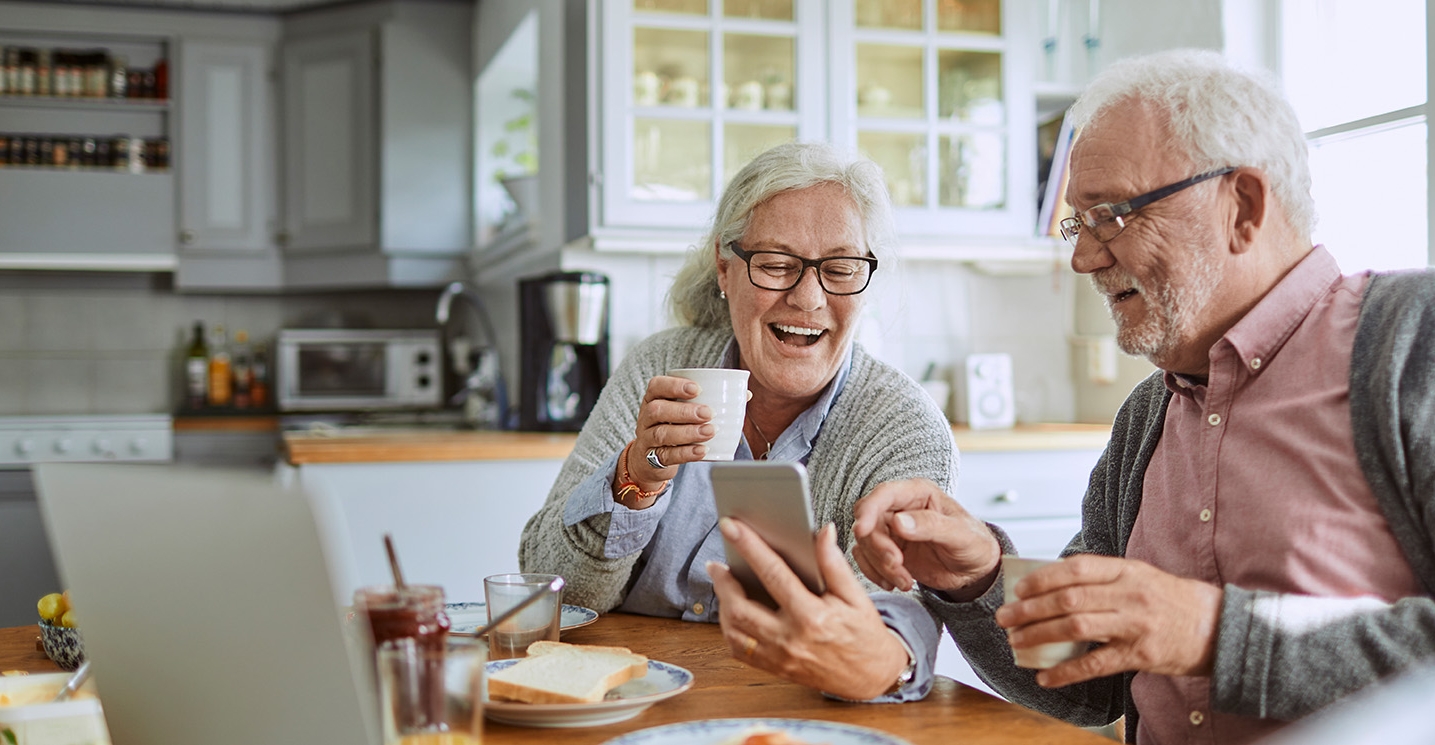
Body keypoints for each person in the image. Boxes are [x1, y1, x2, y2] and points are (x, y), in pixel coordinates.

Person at [836, 49, 1435, 743]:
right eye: (1078, 222)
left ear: (1241, 206)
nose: (1083, 258)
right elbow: (1091, 683)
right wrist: (979, 578)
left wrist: (1211, 633)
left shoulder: (1410, 342)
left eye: (1112, 214)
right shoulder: (1147, 416)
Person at [518, 141, 957, 702]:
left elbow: (884, 636)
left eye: (841, 269)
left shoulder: (902, 428)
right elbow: (551, 590)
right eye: (776, 265)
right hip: (625, 700)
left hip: (788, 715)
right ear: (726, 270)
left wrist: (882, 650)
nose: (808, 298)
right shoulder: (659, 369)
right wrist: (636, 478)